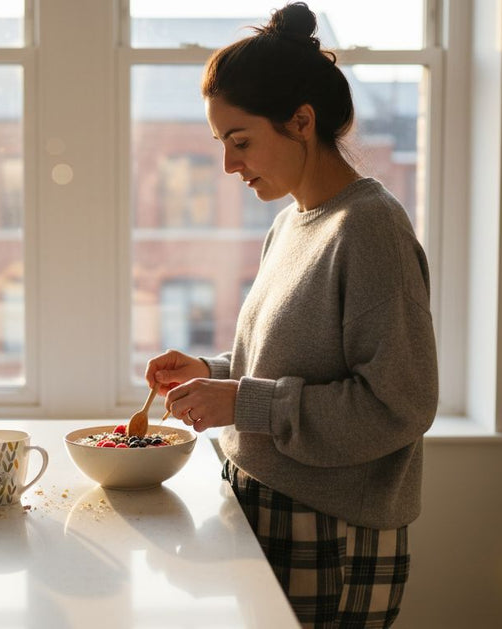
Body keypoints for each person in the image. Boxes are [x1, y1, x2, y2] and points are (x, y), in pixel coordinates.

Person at [143, 3, 438, 627]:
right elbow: (283, 365)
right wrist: (211, 370)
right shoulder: (291, 225)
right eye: (221, 143)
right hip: (269, 508)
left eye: (240, 141)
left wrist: (241, 401)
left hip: (332, 535)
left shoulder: (371, 228)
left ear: (301, 122)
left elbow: (400, 405)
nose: (228, 165)